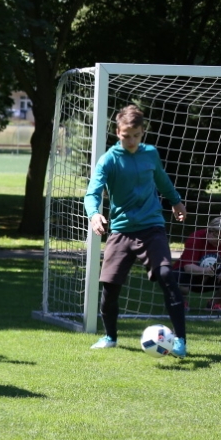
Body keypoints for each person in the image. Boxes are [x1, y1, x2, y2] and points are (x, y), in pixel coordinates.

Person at [85, 104, 189, 355]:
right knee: (110, 287)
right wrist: (94, 214)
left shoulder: (150, 154)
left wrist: (176, 201)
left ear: (142, 132)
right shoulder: (108, 160)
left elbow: (162, 180)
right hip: (121, 231)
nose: (131, 141)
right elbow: (92, 193)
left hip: (152, 227)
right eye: (126, 136)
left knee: (166, 275)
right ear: (117, 132)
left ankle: (180, 341)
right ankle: (110, 337)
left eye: (136, 135)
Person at [173, 215, 221, 311]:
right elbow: (188, 267)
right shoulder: (196, 238)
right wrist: (205, 271)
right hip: (190, 274)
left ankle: (213, 304)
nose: (220, 241)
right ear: (209, 231)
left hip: (215, 276)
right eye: (217, 237)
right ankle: (181, 301)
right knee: (179, 280)